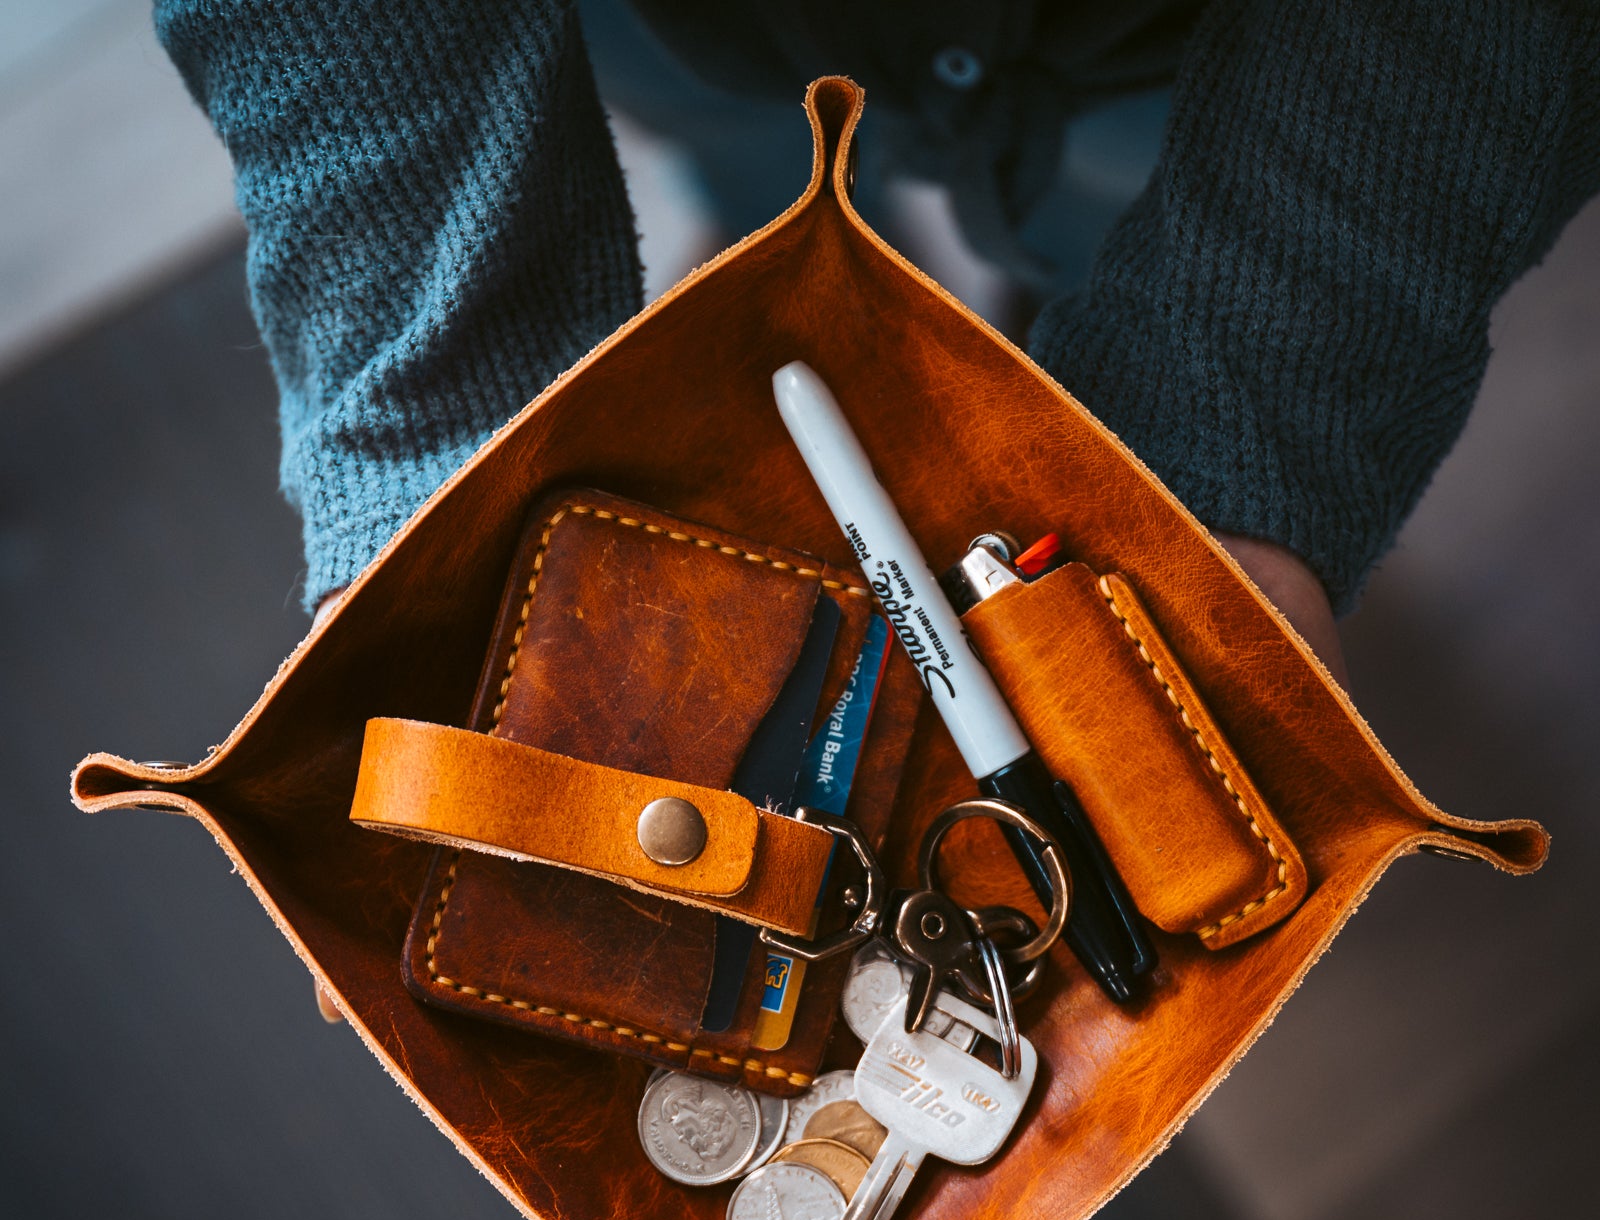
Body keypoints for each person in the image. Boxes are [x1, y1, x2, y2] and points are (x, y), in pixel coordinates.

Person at [151, 0, 1597, 1018]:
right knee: (757, 139)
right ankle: (803, 247)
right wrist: (445, 449)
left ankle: (907, 294)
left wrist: (1245, 412)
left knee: (1098, 244)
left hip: (1210, 60)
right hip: (704, 30)